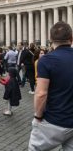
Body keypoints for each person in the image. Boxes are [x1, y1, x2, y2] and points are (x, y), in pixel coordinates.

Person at [29, 22, 73, 150]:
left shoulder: (46, 60)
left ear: (51, 40)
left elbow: (41, 93)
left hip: (54, 120)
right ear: (71, 38)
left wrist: (37, 116)